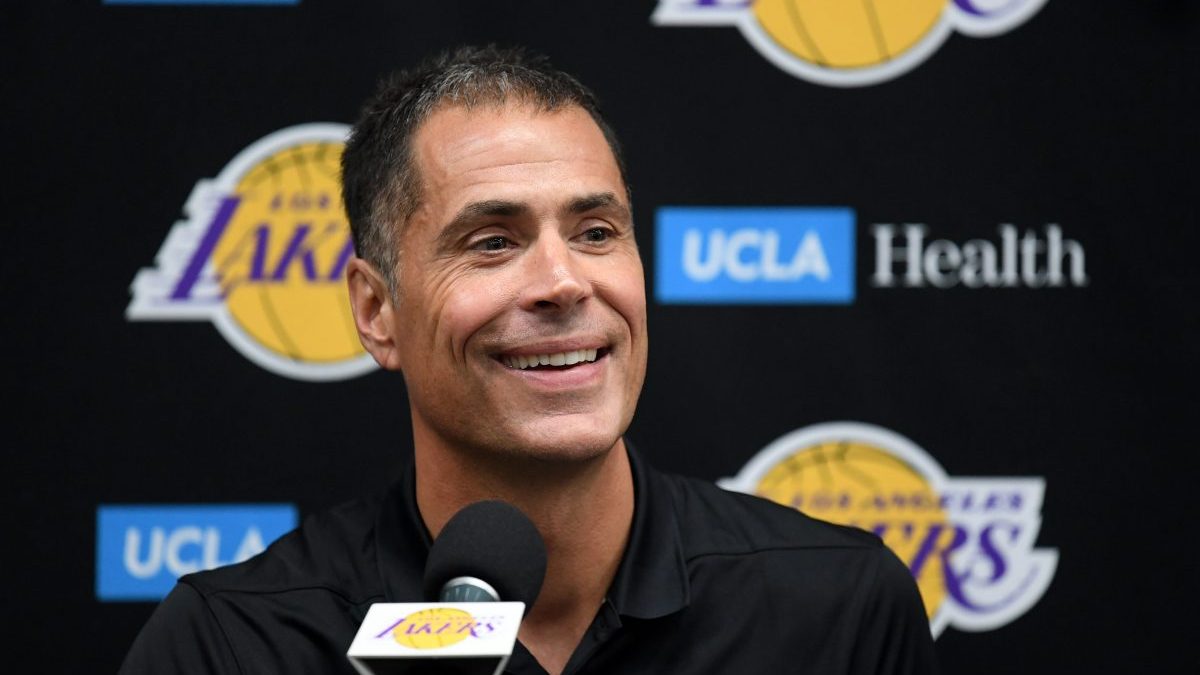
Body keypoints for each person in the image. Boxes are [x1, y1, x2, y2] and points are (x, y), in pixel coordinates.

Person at [119, 45, 939, 675]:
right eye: (492, 242)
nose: (562, 282)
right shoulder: (232, 645)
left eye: (595, 232)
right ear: (376, 311)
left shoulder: (840, 610)